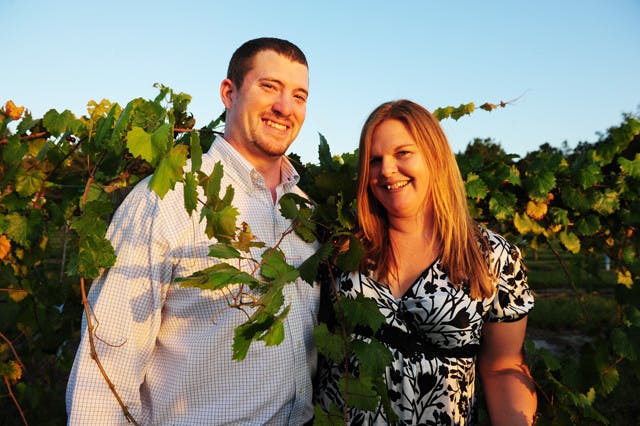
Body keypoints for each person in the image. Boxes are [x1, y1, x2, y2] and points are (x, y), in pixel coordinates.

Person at [66, 37, 320, 425]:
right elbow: (104, 375)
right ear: (228, 93)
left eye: (299, 95)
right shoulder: (165, 198)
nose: (285, 107)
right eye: (269, 87)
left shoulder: (304, 212)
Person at [315, 100, 537, 425]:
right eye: (374, 160)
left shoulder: (492, 257)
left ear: (434, 157)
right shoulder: (343, 248)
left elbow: (503, 365)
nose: (386, 170)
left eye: (402, 153)